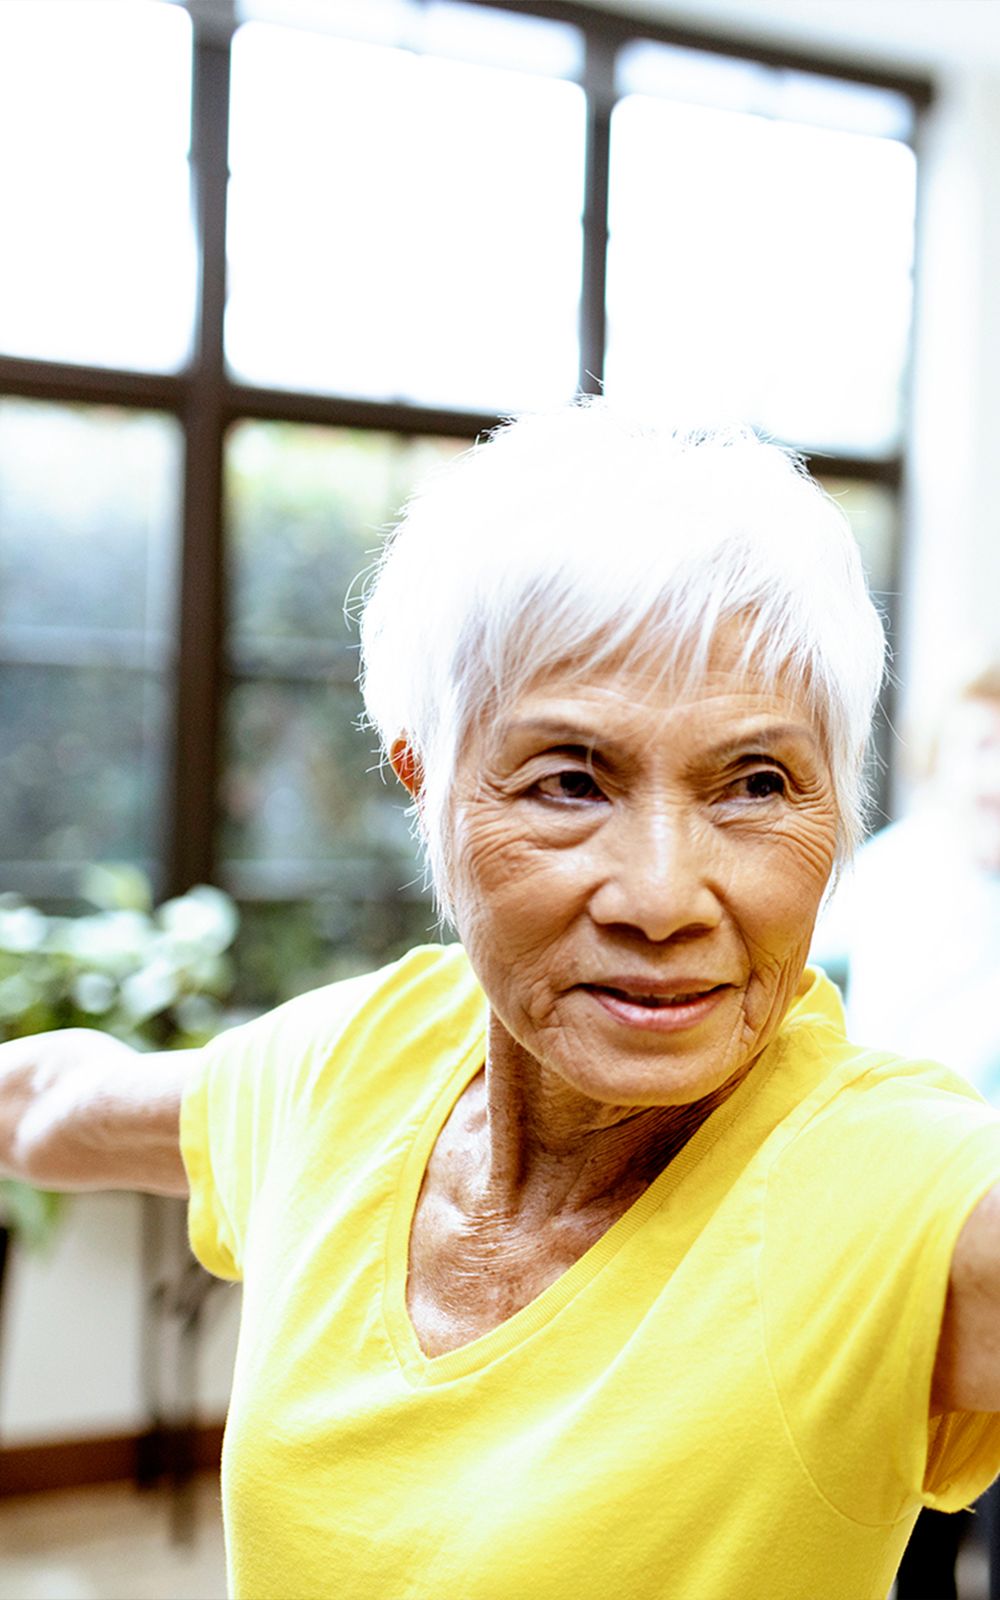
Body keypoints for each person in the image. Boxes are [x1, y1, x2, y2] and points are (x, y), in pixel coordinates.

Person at [5, 400, 1000, 1600]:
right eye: (570, 779)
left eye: (754, 782)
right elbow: (51, 1099)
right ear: (423, 775)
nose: (660, 895)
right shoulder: (356, 1059)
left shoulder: (887, 1183)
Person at [812, 664, 1000, 1600]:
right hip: (898, 1205)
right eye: (982, 748)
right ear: (942, 760)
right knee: (908, 1482)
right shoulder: (890, 873)